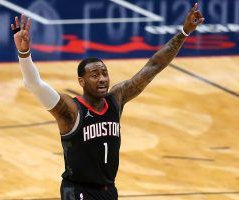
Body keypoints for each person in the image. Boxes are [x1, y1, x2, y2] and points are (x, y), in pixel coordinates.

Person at [11, 3, 204, 200]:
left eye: (104, 73)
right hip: (77, 190)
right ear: (81, 81)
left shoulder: (116, 99)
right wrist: (24, 55)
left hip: (108, 190)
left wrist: (184, 32)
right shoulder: (71, 111)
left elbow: (154, 65)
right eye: (95, 75)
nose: (102, 78)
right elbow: (34, 84)